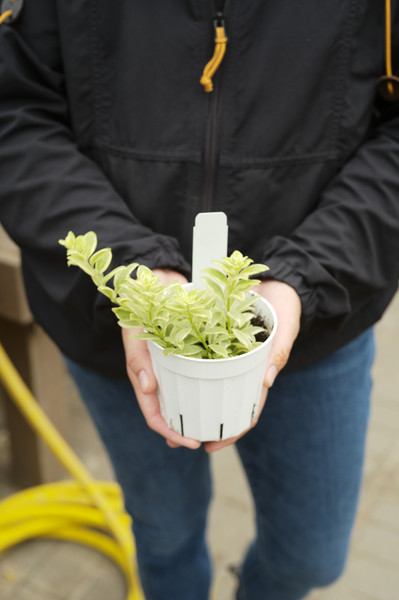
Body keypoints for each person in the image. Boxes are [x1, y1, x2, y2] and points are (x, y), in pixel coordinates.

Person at [0, 2, 398, 599]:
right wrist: (130, 272)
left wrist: (305, 278)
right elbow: (16, 114)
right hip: (117, 329)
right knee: (163, 536)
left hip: (321, 318)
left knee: (310, 557)